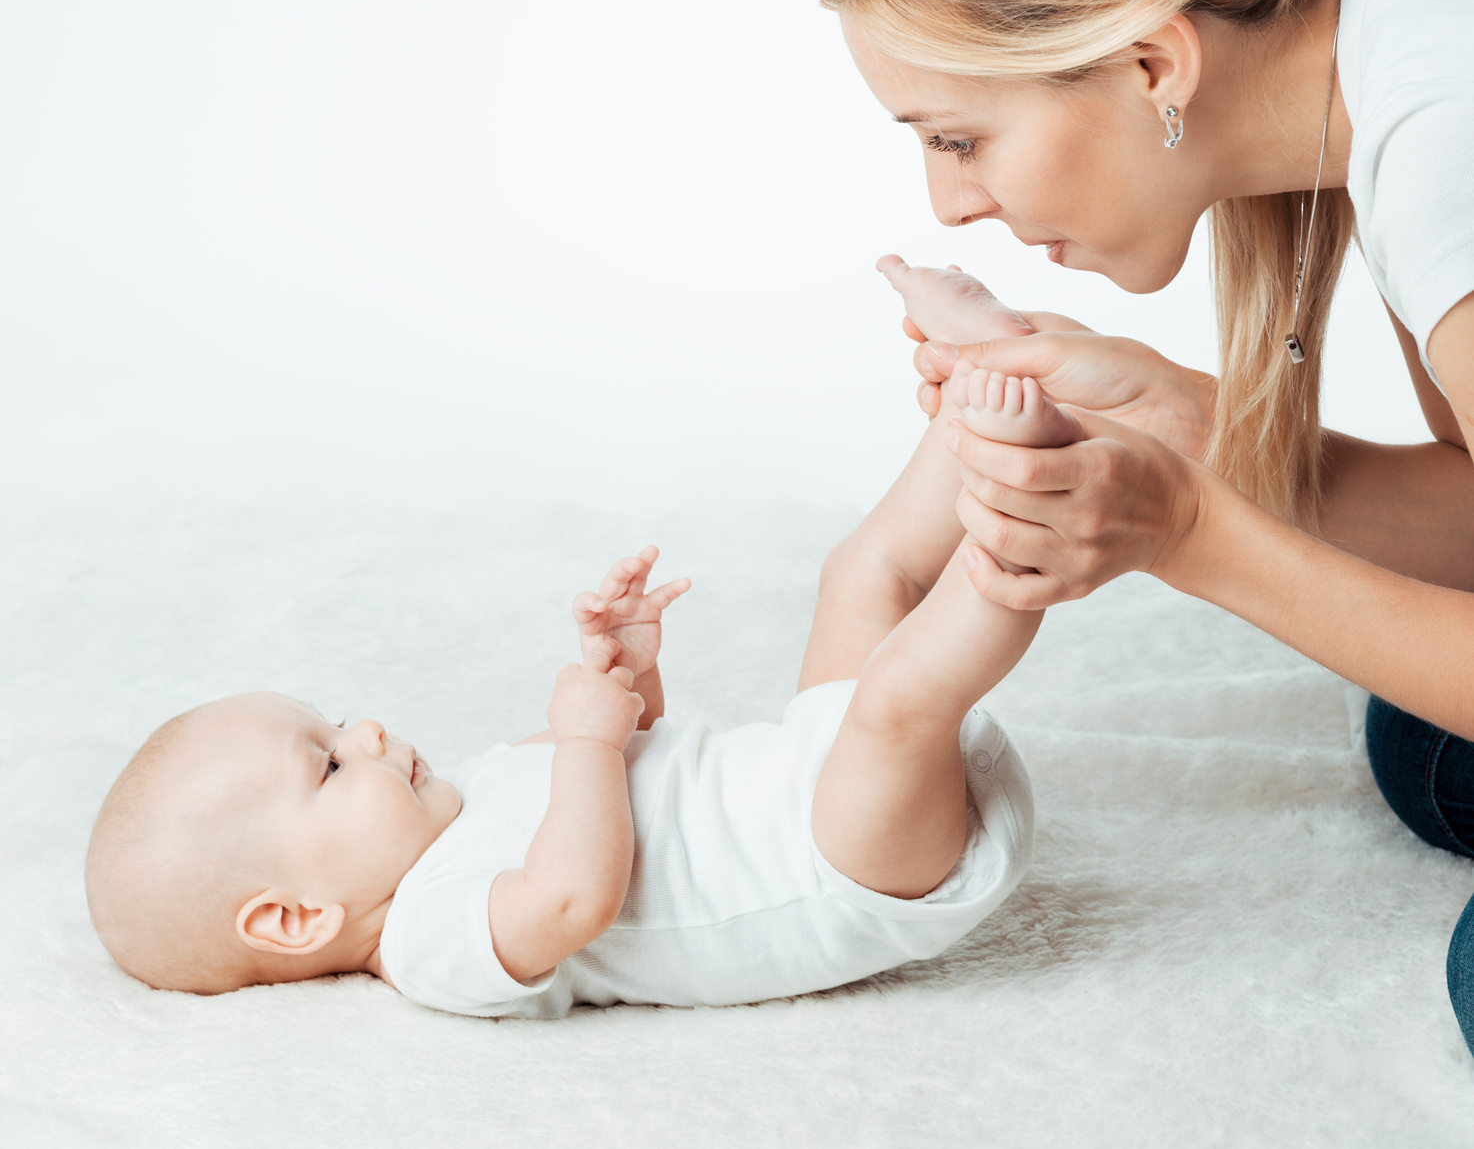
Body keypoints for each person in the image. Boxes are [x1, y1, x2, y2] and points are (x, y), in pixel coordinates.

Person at [820, 0, 1474, 1046]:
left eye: (959, 135)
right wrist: (1183, 419)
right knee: (1425, 751)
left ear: (1151, 65)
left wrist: (1187, 529)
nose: (947, 203)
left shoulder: (1441, 155)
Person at [84, 273, 1078, 1014]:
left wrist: (633, 679)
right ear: (294, 916)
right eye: (331, 763)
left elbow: (637, 788)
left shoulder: (455, 798)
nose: (371, 730)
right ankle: (1034, 506)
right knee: (904, 691)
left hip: (802, 773)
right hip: (833, 863)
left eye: (339, 724)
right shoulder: (431, 940)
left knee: (859, 576)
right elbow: (571, 898)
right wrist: (590, 745)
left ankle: (972, 396)